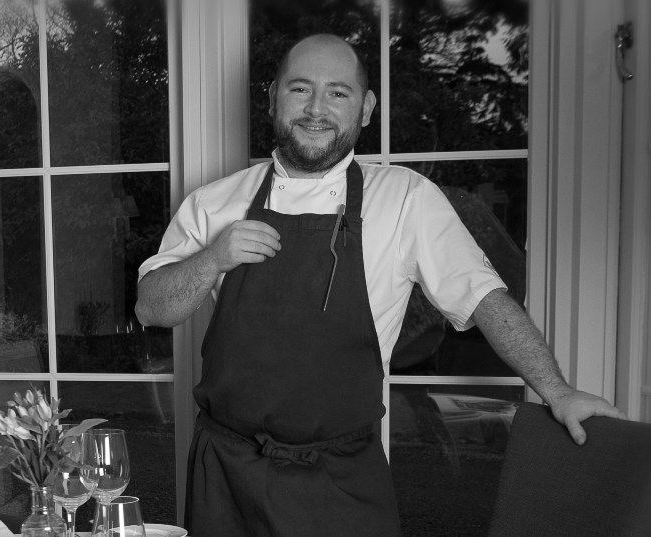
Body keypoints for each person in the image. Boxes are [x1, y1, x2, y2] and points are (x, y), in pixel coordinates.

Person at [135, 33, 626, 537]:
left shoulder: (408, 198)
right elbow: (152, 307)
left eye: (338, 93)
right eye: (299, 89)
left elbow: (484, 299)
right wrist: (214, 258)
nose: (315, 109)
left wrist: (557, 390)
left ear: (366, 108)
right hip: (226, 476)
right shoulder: (214, 202)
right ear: (272, 98)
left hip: (342, 481)